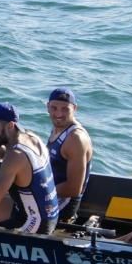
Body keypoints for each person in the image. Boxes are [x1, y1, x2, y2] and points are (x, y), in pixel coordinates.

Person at [0, 103, 60, 234]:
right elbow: (25, 168)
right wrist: (3, 153)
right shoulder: (32, 138)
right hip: (48, 212)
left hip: (35, 223)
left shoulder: (15, 156)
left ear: (10, 126)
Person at [46, 88, 93, 224]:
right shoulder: (58, 128)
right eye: (54, 108)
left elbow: (74, 189)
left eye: (65, 109)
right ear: (47, 107)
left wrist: (37, 192)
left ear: (75, 108)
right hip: (50, 196)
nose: (58, 114)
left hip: (62, 206)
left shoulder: (75, 138)